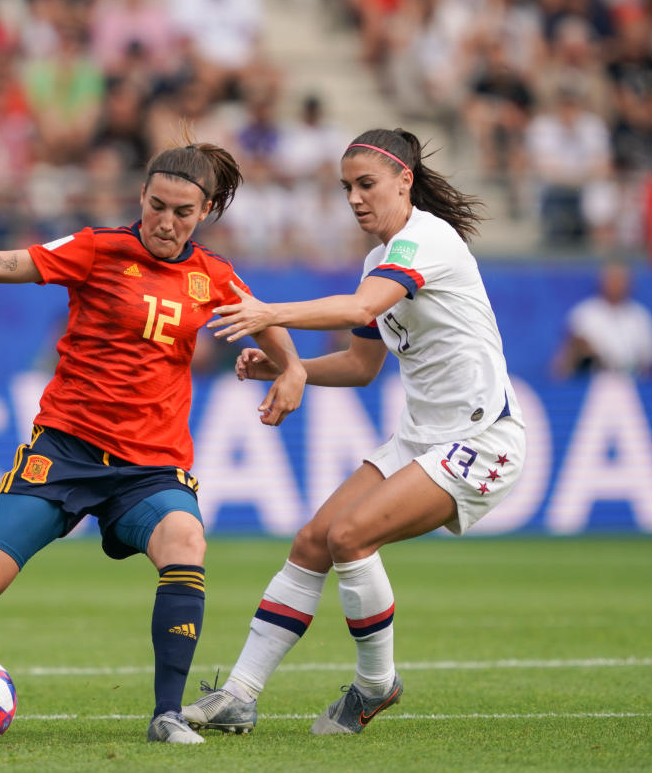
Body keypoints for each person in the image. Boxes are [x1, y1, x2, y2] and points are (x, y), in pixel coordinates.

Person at [0, 139, 309, 744]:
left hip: (151, 467)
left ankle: (167, 714)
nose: (166, 222)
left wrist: (294, 368)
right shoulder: (96, 249)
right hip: (64, 451)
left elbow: (264, 317)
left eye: (182, 212)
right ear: (141, 197)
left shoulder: (213, 277)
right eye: (157, 205)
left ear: (203, 215)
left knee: (186, 541)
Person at [180, 128, 527, 735]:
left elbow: (361, 310)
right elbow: (362, 366)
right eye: (347, 188)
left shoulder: (427, 241)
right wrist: (290, 367)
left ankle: (375, 685)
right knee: (314, 539)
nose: (355, 198)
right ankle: (239, 694)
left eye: (366, 184)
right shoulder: (379, 260)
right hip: (421, 439)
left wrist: (270, 314)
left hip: (481, 441)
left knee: (351, 536)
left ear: (404, 181)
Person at [552, 261, 652, 379]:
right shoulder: (583, 314)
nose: (616, 284)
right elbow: (563, 362)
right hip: (594, 383)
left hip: (634, 384)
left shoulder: (641, 316)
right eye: (612, 279)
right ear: (602, 281)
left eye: (620, 279)